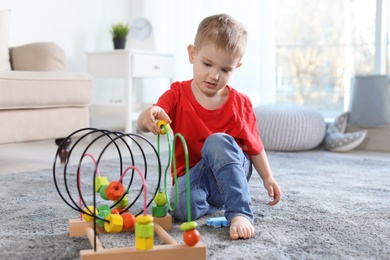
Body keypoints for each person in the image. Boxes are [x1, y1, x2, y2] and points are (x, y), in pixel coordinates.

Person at [137, 13, 281, 240]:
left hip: (231, 166)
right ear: (192, 54)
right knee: (182, 209)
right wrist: (146, 117)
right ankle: (216, 200)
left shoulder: (240, 103)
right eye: (207, 64)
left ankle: (240, 211)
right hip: (196, 176)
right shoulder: (176, 94)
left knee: (216, 141)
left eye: (225, 70)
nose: (214, 75)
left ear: (237, 67)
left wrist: (268, 178)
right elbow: (152, 116)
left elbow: (254, 146)